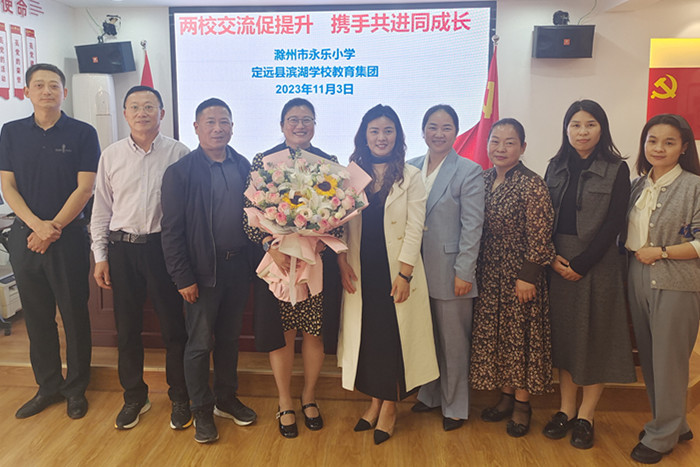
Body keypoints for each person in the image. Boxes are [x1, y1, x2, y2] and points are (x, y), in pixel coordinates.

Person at [0, 63, 99, 420]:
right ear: (26, 92)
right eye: (39, 85)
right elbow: (7, 185)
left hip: (67, 236)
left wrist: (52, 227)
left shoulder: (83, 133)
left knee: (74, 316)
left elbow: (85, 188)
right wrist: (35, 227)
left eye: (54, 85)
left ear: (64, 92)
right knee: (37, 317)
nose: (47, 91)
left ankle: (76, 388)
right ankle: (48, 386)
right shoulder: (11, 132)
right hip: (25, 237)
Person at [337, 104, 439, 445]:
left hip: (395, 272)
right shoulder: (352, 175)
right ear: (364, 136)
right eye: (375, 131)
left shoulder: (411, 176)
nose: (381, 137)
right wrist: (342, 262)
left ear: (398, 135)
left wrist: (405, 274)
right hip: (362, 270)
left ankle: (390, 406)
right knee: (370, 338)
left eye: (388, 130)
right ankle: (374, 402)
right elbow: (339, 226)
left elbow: (415, 228)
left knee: (393, 338)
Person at [90, 85, 191, 430]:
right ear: (125, 114)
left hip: (164, 249)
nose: (142, 112)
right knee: (128, 330)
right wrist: (100, 256)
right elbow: (101, 209)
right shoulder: (111, 155)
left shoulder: (179, 153)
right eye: (134, 106)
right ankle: (134, 396)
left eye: (149, 106)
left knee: (174, 328)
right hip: (122, 250)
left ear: (162, 113)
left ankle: (180, 396)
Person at [243, 98, 341, 438]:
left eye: (307, 119)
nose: (300, 125)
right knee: (282, 334)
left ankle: (309, 396)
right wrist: (270, 246)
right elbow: (248, 215)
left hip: (315, 264)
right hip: (279, 264)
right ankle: (284, 400)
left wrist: (322, 238)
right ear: (282, 124)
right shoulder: (264, 161)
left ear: (315, 125)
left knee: (315, 333)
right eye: (293, 119)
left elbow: (340, 219)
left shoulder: (328, 163)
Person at [161, 98, 256, 444]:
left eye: (224, 122)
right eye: (211, 122)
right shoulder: (180, 172)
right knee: (199, 344)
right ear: (196, 127)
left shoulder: (243, 165)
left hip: (237, 268)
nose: (218, 128)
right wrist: (182, 277)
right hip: (202, 273)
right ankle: (201, 408)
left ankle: (226, 399)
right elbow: (171, 231)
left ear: (232, 127)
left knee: (229, 339)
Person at [544, 99, 635, 449]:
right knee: (567, 339)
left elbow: (615, 222)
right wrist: (551, 258)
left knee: (594, 338)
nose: (582, 132)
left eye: (590, 124)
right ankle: (566, 409)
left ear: (602, 129)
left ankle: (587, 415)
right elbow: (542, 216)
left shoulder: (616, 168)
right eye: (575, 125)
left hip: (598, 263)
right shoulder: (555, 166)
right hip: (558, 262)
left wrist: (582, 263)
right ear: (566, 129)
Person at [471, 118, 555, 437]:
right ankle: (505, 397)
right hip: (488, 270)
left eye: (509, 142)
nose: (501, 148)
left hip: (520, 274)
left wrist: (528, 276)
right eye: (495, 141)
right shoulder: (482, 178)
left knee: (520, 338)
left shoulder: (532, 183)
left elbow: (541, 234)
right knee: (498, 337)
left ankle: (522, 405)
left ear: (522, 147)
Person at [625, 114, 700, 464]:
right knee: (652, 358)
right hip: (636, 275)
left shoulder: (694, 186)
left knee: (669, 360)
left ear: (683, 147)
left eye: (669, 142)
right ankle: (673, 424)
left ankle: (662, 435)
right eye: (652, 140)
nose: (659, 148)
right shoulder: (637, 185)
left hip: (676, 281)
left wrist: (662, 252)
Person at [406, 105, 484, 431]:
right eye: (433, 127)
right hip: (414, 269)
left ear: (456, 131)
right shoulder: (410, 167)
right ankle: (431, 394)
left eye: (446, 127)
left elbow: (473, 226)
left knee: (453, 343)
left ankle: (456, 406)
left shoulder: (469, 170)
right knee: (426, 336)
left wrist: (464, 271)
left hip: (451, 269)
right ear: (423, 130)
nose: (439, 133)